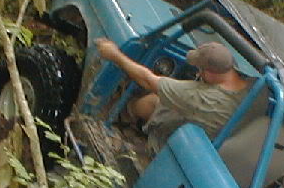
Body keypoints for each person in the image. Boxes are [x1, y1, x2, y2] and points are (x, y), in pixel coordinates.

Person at [94, 37, 251, 151]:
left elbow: (148, 80)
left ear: (209, 73)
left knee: (152, 101)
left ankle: (123, 117)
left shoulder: (203, 98)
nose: (199, 72)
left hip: (183, 146)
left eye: (200, 69)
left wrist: (114, 54)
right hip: (214, 137)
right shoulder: (254, 88)